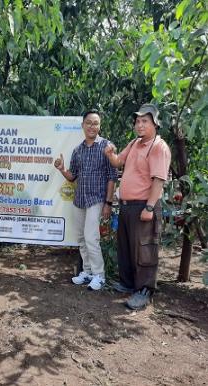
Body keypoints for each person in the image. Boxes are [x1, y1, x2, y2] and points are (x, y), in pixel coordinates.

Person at [104, 103, 171, 310]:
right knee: (125, 247)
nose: (140, 125)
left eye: (145, 121)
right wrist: (110, 154)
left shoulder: (158, 147)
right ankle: (127, 283)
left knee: (145, 249)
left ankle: (144, 290)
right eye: (138, 121)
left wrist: (150, 208)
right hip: (127, 206)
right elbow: (118, 162)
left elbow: (159, 180)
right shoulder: (134, 143)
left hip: (144, 206)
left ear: (155, 124)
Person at [54, 110, 117, 290]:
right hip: (79, 199)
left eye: (95, 123)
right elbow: (72, 177)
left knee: (91, 238)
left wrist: (108, 203)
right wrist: (61, 168)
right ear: (83, 125)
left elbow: (112, 176)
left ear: (100, 126)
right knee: (81, 238)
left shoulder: (106, 147)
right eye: (89, 122)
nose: (92, 126)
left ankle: (100, 275)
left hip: (96, 199)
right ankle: (88, 272)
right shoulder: (77, 150)